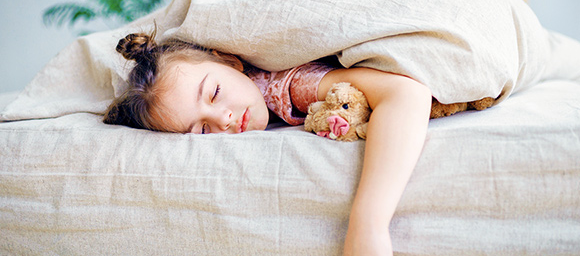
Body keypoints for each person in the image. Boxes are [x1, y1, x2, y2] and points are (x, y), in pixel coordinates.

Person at [104, 31, 432, 255]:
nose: (224, 119)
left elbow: (406, 92)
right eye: (202, 130)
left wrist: (368, 224)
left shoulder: (284, 86)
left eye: (215, 93)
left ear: (230, 61)